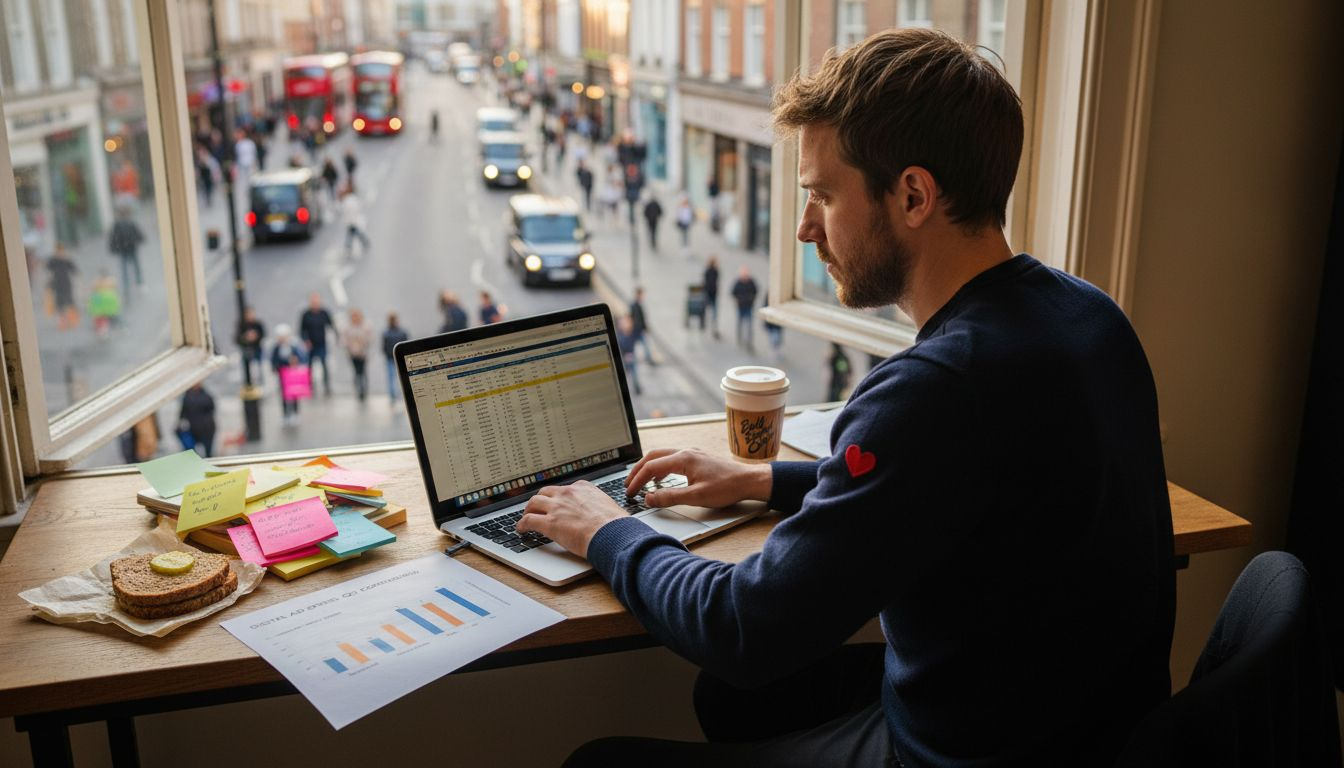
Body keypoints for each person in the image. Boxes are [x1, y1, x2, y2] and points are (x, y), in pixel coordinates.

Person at [523, 29, 1173, 767]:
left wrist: (607, 531)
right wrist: (762, 479)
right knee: (729, 700)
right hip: (1076, 723)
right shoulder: (1088, 316)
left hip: (959, 749)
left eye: (823, 196)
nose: (805, 228)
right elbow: (943, 484)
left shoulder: (936, 390)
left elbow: (742, 628)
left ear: (914, 196)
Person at [299, 293, 336, 396]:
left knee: (324, 365)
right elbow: (302, 330)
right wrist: (306, 340)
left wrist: (336, 336)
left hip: (321, 343)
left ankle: (326, 386)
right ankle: (310, 386)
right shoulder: (306, 314)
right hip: (310, 344)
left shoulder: (324, 313)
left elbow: (331, 325)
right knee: (309, 366)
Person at [270, 323, 307, 425]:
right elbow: (274, 360)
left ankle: (295, 413)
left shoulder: (293, 347)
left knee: (294, 395)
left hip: (291, 375)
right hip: (282, 374)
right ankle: (285, 414)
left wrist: (296, 362)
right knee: (283, 396)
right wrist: (274, 368)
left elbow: (301, 357)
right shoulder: (276, 348)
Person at [107, 206, 145, 298]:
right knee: (136, 266)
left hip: (123, 250)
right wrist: (140, 240)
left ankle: (126, 286)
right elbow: (137, 233)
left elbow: (113, 237)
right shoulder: (130, 223)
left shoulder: (117, 225)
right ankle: (139, 283)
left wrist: (113, 248)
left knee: (124, 269)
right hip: (131, 248)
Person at [46, 244, 80, 331]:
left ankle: (73, 320)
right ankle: (62, 322)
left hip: (66, 284)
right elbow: (48, 269)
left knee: (70, 302)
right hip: (57, 284)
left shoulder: (66, 260)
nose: (60, 253)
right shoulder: (53, 261)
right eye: (58, 251)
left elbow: (75, 270)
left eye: (61, 251)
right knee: (59, 304)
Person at [178, 383, 216, 458]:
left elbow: (211, 408)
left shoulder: (206, 396)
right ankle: (193, 458)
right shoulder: (187, 396)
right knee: (190, 448)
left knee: (208, 452)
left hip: (206, 428)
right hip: (193, 428)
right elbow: (183, 412)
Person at [342, 308, 372, 402]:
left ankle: (364, 389)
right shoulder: (347, 327)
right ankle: (358, 389)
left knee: (363, 371)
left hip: (363, 354)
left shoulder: (366, 326)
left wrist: (362, 345)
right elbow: (344, 340)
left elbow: (370, 339)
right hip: (353, 354)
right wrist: (350, 348)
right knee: (356, 372)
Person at [382, 312, 409, 405]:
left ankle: (394, 396)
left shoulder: (386, 333)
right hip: (397, 358)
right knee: (399, 377)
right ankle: (398, 395)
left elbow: (384, 347)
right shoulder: (402, 332)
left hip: (391, 358)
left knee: (392, 378)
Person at [730, 265, 759, 350]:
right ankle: (739, 338)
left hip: (749, 307)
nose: (745, 275)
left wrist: (752, 299)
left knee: (749, 325)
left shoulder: (751, 282)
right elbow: (733, 292)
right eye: (743, 273)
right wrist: (738, 299)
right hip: (740, 307)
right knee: (740, 324)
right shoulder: (738, 283)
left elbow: (756, 291)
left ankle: (749, 342)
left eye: (746, 273)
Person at [236, 306, 266, 384]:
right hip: (246, 351)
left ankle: (260, 382)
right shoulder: (241, 325)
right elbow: (237, 338)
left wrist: (255, 337)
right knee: (247, 370)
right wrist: (245, 338)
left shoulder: (258, 324)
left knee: (259, 368)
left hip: (257, 350)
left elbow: (263, 335)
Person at [340, 185, 371, 257]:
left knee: (352, 234)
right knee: (353, 233)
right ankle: (362, 243)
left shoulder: (347, 201)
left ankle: (349, 247)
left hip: (351, 221)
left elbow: (345, 211)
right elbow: (359, 207)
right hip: (353, 220)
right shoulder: (353, 199)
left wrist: (349, 219)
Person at [88, 273, 120, 337]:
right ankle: (104, 330)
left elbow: (93, 289)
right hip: (108, 302)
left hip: (99, 301)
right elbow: (115, 287)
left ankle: (100, 330)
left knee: (99, 317)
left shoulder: (96, 282)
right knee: (105, 317)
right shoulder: (111, 281)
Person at [616, 314, 642, 396]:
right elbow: (621, 345)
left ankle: (637, 388)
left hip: (631, 356)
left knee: (634, 372)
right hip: (624, 357)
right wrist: (625, 355)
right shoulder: (620, 334)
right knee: (625, 373)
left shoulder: (631, 332)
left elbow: (636, 336)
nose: (627, 324)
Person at [629, 287, 655, 364]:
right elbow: (636, 318)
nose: (642, 296)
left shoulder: (637, 304)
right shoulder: (634, 305)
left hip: (637, 329)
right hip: (637, 330)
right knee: (643, 344)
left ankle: (647, 358)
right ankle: (647, 359)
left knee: (643, 344)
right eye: (641, 294)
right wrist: (642, 327)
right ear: (638, 294)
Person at [702, 256, 721, 339]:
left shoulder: (713, 271)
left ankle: (709, 326)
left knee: (712, 312)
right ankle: (710, 326)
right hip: (710, 295)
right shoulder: (712, 271)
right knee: (713, 312)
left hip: (711, 294)